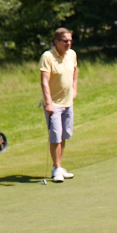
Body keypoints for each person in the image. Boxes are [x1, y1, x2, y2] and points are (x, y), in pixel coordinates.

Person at [39, 27, 78, 183]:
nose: (68, 43)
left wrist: (74, 88)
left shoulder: (72, 54)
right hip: (53, 104)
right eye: (65, 41)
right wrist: (48, 102)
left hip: (68, 102)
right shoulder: (47, 57)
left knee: (64, 135)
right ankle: (56, 169)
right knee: (55, 135)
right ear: (56, 42)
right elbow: (44, 81)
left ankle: (59, 167)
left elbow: (75, 71)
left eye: (70, 41)